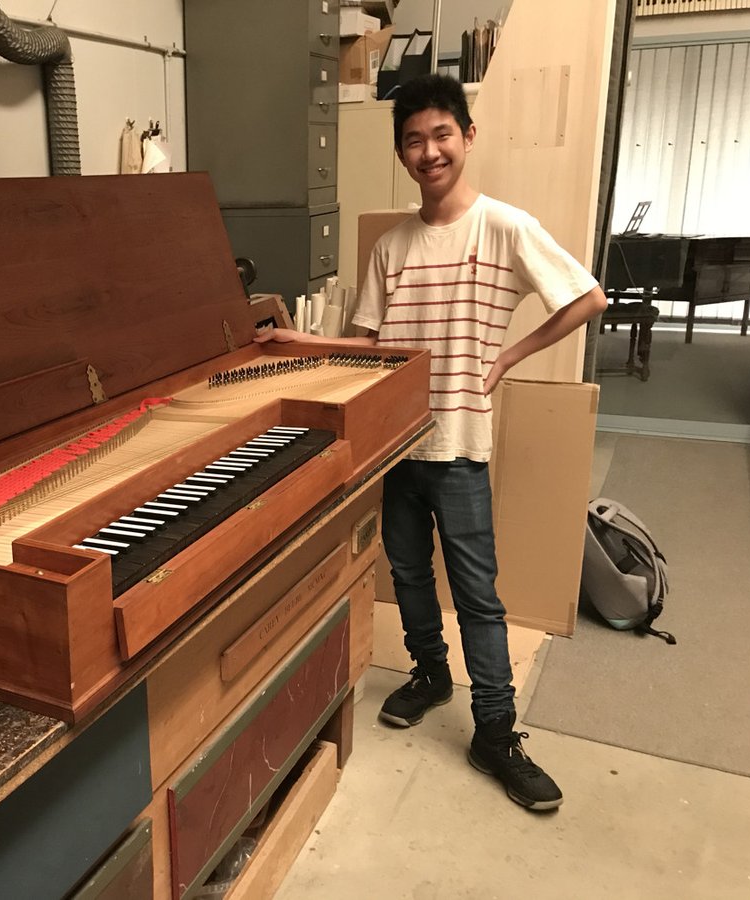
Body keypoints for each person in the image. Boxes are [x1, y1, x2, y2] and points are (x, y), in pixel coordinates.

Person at [256, 74, 606, 811]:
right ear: (402, 153)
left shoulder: (505, 227)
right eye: (413, 139)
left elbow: (587, 297)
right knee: (408, 574)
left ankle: (496, 732)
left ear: (467, 137)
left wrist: (509, 357)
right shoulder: (392, 246)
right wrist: (299, 340)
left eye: (442, 134)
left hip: (460, 447)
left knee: (478, 594)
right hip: (394, 446)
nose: (429, 150)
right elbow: (365, 346)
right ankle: (428, 673)